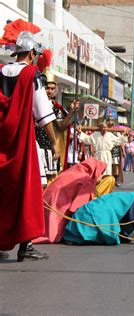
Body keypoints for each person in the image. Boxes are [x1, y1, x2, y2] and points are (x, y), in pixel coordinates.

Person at [0, 20, 57, 261]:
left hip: (1, 142)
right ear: (32, 53)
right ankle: (26, 246)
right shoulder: (32, 75)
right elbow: (43, 114)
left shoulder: (0, 72)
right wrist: (54, 142)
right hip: (22, 143)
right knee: (27, 192)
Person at [63, 192, 134, 246]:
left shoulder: (127, 196)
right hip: (94, 214)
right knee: (110, 236)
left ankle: (72, 237)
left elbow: (125, 220)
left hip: (86, 211)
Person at [35, 68, 80, 181]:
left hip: (49, 149)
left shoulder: (56, 107)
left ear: (55, 91)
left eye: (52, 88)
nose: (49, 91)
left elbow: (61, 127)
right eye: (46, 88)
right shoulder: (33, 103)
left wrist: (71, 111)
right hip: (35, 147)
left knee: (52, 180)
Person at [107, 117, 124, 187]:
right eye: (109, 120)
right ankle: (107, 180)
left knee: (115, 165)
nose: (110, 122)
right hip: (107, 150)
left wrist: (123, 150)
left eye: (111, 120)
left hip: (115, 150)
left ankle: (116, 180)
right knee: (107, 165)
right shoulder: (104, 130)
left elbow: (120, 141)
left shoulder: (116, 132)